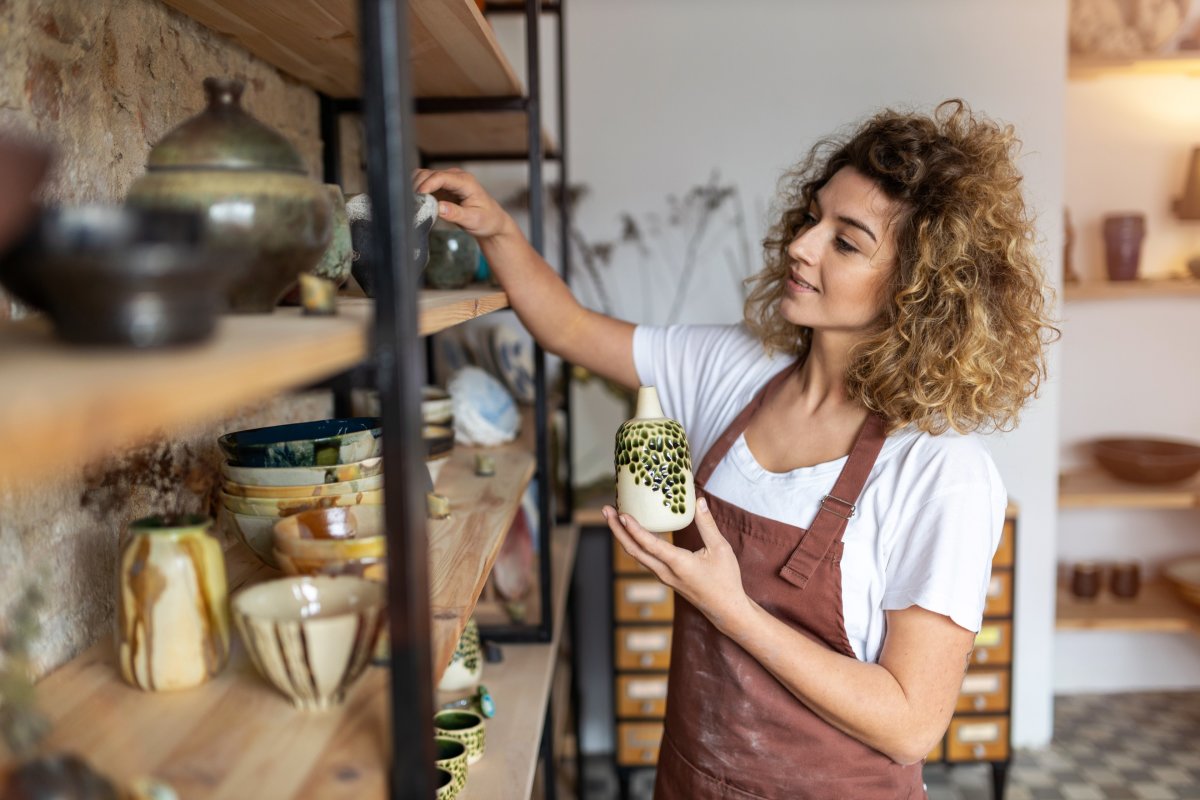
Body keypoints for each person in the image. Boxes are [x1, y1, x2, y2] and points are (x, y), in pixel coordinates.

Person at [415, 99, 1057, 799]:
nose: (802, 246)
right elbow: (569, 328)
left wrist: (733, 610)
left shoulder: (939, 472)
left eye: (847, 242)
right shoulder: (732, 369)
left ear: (919, 291)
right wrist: (499, 231)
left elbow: (909, 724)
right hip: (693, 778)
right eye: (813, 217)